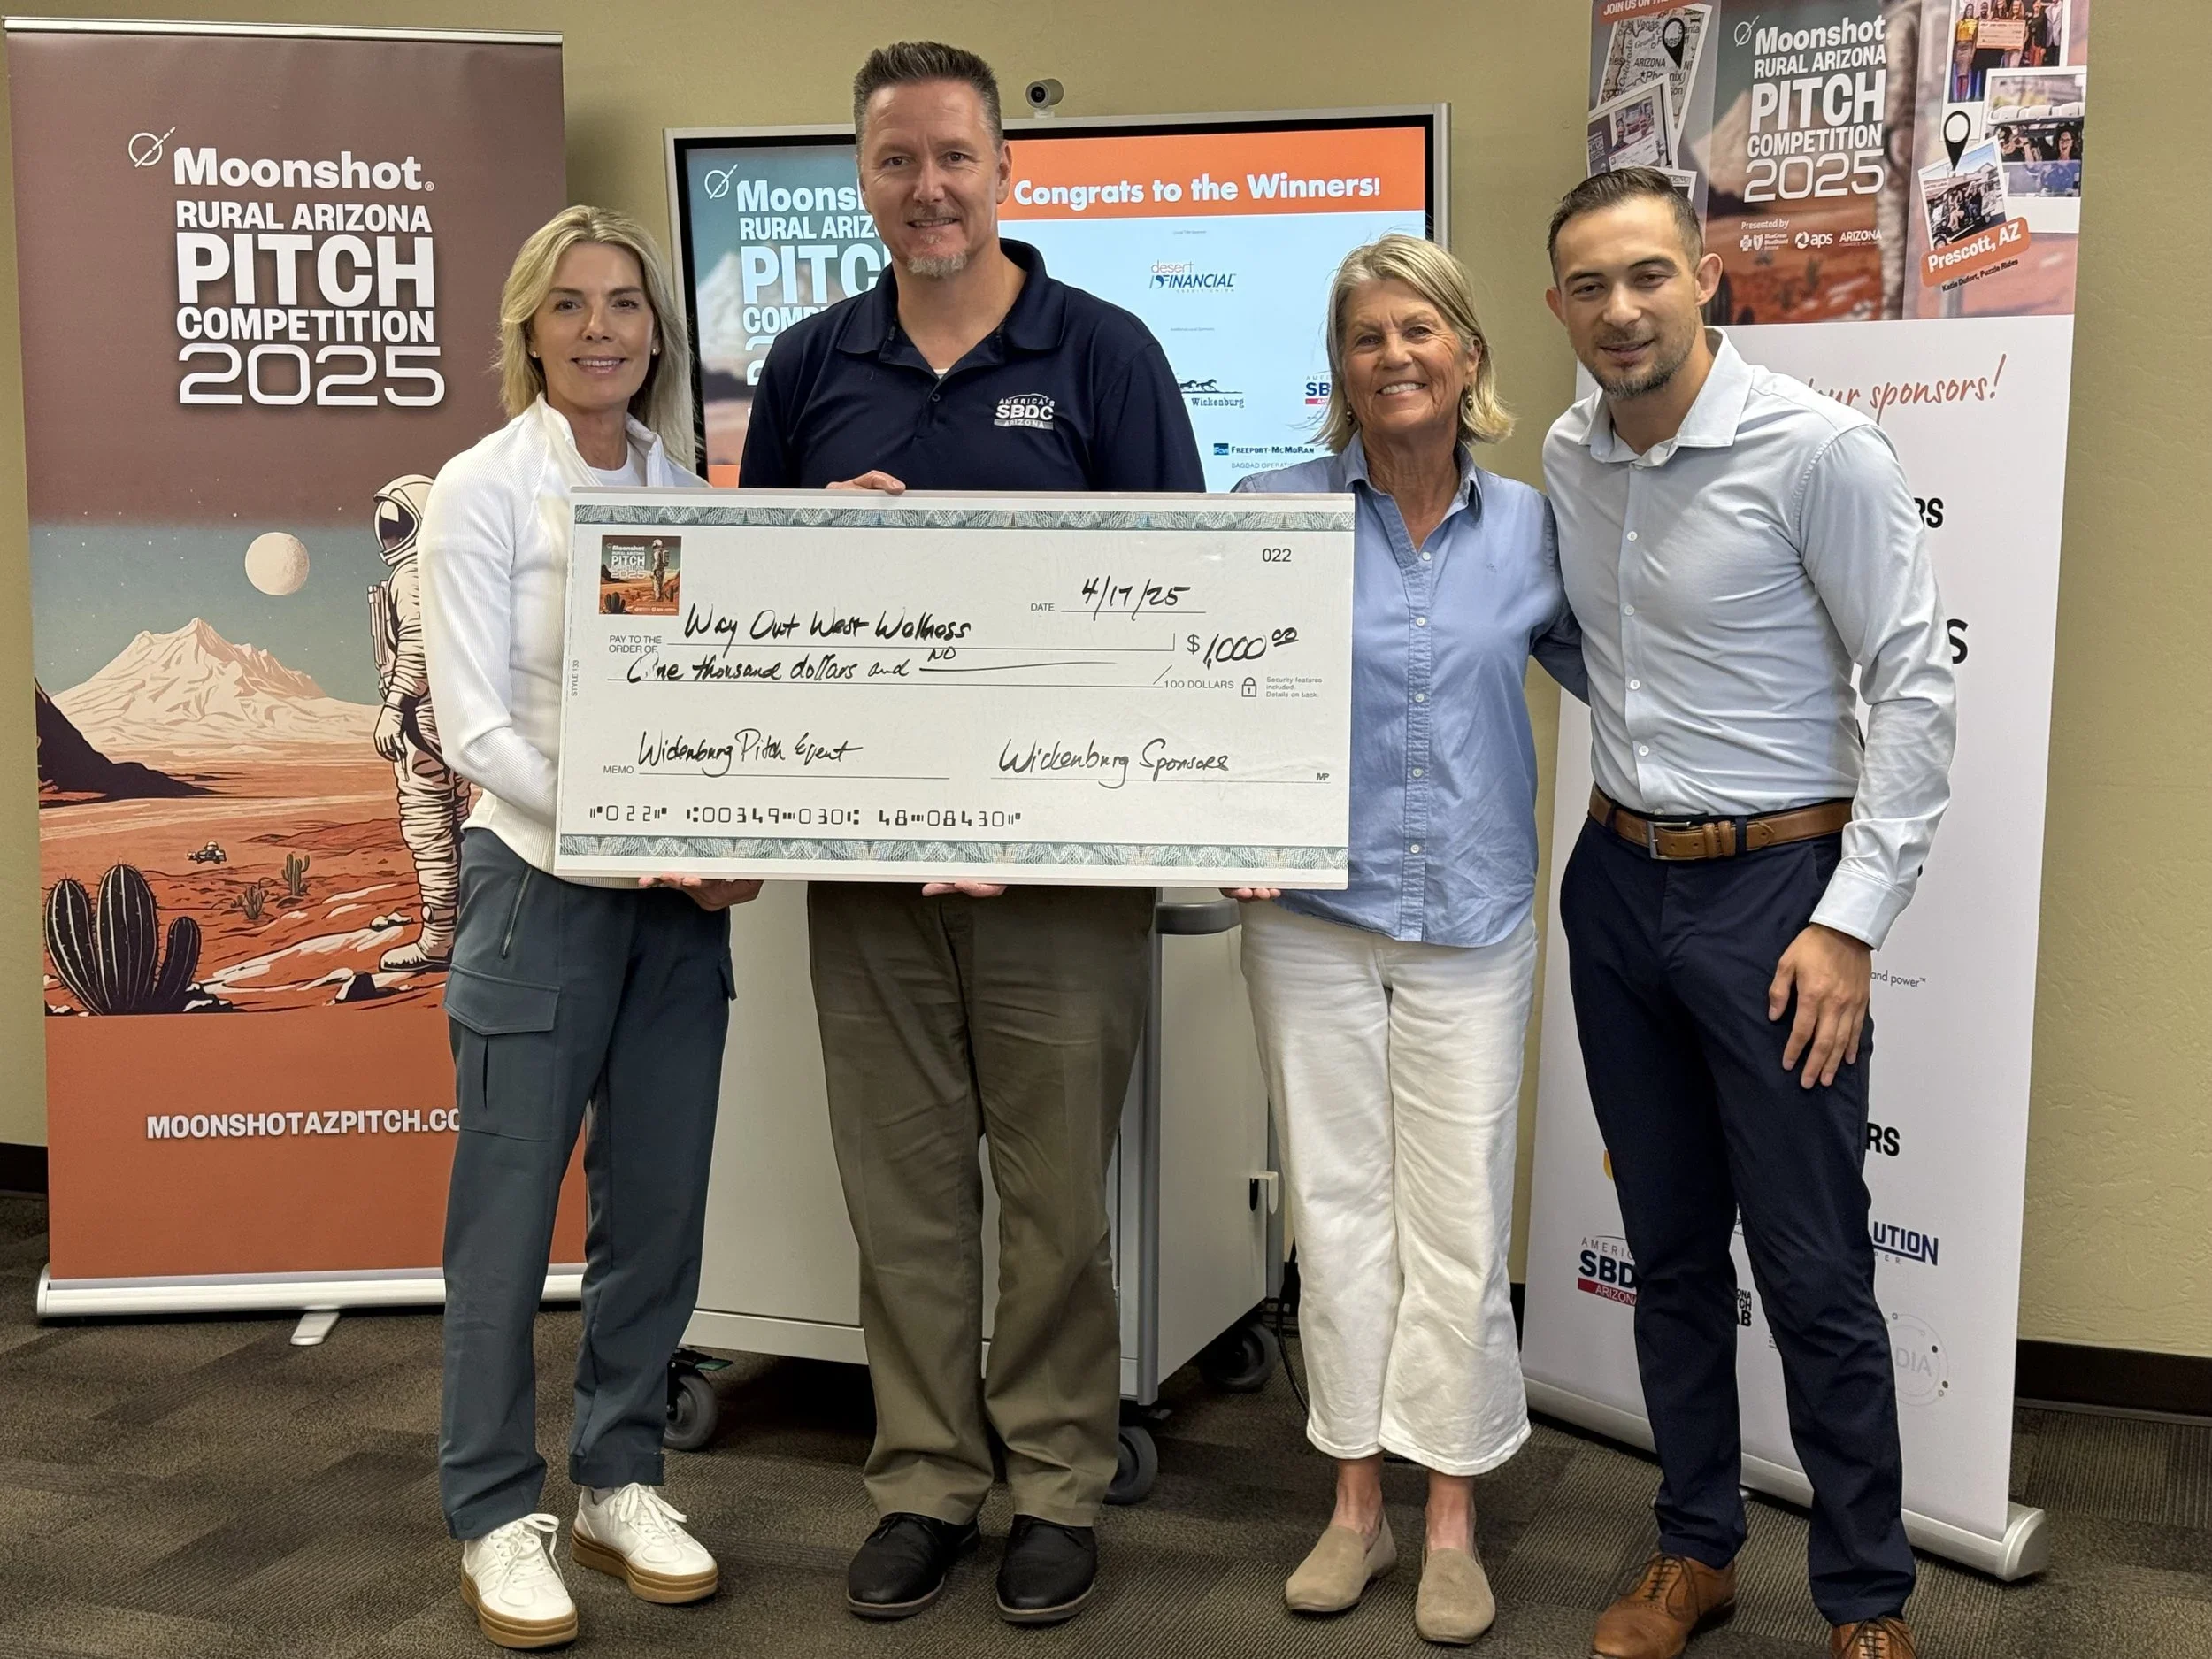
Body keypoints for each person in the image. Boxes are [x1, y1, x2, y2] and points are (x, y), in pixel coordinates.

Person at [739, 40, 1202, 1628]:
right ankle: (928, 1478)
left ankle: (1058, 1480)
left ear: (1007, 170)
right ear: (860, 179)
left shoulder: (1106, 354)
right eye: (895, 161)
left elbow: (1176, 616)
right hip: (870, 874)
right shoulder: (807, 366)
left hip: (1061, 876)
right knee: (904, 1191)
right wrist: (812, 539)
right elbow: (756, 617)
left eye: (954, 156)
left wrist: (1067, 810)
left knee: (1060, 1194)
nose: (927, 187)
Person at [1540, 168, 1955, 1659]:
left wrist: (1847, 923)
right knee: (1665, 1254)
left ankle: (1863, 1596)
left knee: (1813, 1267)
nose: (1621, 309)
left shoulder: (1819, 451)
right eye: (1589, 286)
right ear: (1558, 310)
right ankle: (1695, 1550)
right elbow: (1603, 657)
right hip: (1616, 888)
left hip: (1779, 899)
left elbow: (1912, 694)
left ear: (1705, 277)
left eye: (1647, 274)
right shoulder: (1571, 455)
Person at [1222, 234, 1582, 1647]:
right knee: (1341, 1210)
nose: (1396, 357)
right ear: (1339, 370)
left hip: (1474, 919)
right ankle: (1355, 1499)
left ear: (1470, 354)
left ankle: (1451, 1515)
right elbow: (1200, 705)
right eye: (1367, 337)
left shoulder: (1536, 529)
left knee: (1459, 1219)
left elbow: (1618, 674)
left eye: (1420, 330)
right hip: (1311, 922)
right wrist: (1214, 821)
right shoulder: (1272, 512)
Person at [421, 204, 761, 1651]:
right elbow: (472, 723)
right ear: (529, 330)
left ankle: (621, 1478)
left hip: (678, 914)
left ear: (656, 336)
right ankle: (496, 1510)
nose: (603, 328)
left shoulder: (687, 489)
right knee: (504, 1225)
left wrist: (735, 834)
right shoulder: (483, 491)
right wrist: (627, 840)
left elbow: (716, 703)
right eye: (571, 305)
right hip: (541, 890)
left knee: (661, 1211)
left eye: (627, 304)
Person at [368, 472, 471, 972]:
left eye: (397, 521)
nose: (389, 533)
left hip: (419, 720)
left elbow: (418, 645)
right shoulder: (451, 571)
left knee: (430, 828)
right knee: (457, 824)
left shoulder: (412, 576)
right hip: (449, 718)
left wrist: (394, 706)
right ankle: (469, 929)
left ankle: (438, 939)